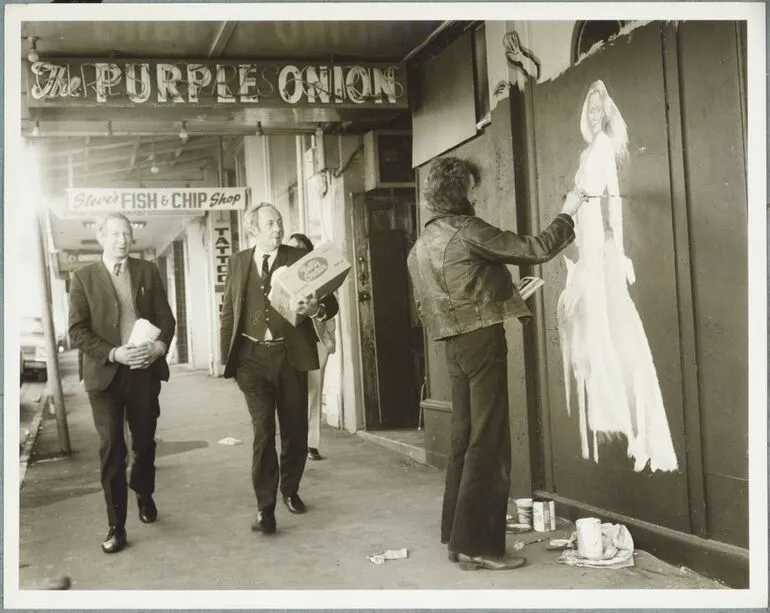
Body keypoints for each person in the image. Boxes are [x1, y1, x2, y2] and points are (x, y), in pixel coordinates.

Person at [407, 156, 586, 571]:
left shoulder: (422, 245)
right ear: (460, 192)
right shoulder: (468, 229)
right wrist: (569, 210)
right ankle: (478, 548)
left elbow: (451, 296)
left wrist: (507, 295)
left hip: (453, 345)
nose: (477, 192)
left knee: (464, 437)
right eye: (473, 186)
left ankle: (454, 533)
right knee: (489, 440)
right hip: (482, 342)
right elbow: (536, 248)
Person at [557, 80, 677, 472]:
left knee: (612, 327)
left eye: (600, 110)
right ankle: (614, 417)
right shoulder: (588, 150)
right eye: (591, 109)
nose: (595, 115)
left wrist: (619, 250)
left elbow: (614, 202)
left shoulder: (605, 147)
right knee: (593, 329)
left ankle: (634, 425)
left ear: (607, 115)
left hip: (599, 242)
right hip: (585, 240)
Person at [220, 203, 338, 535]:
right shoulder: (238, 262)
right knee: (262, 432)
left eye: (280, 222)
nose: (278, 228)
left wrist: (316, 307)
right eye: (270, 223)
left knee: (294, 429)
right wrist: (227, 360)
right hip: (251, 358)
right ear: (252, 229)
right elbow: (229, 312)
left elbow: (332, 301)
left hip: (290, 356)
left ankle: (290, 489)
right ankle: (265, 507)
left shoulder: (297, 257)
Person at [68, 212, 176, 554]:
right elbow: (77, 331)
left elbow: (166, 318)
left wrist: (159, 347)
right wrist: (114, 353)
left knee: (144, 444)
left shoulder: (146, 271)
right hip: (105, 375)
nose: (122, 240)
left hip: (143, 371)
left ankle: (144, 492)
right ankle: (116, 526)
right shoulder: (83, 278)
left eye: (126, 234)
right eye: (114, 234)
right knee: (112, 448)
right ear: (100, 237)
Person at [286, 233, 337, 461]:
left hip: (315, 343)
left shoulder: (320, 278)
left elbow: (332, 307)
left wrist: (317, 310)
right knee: (290, 395)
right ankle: (293, 441)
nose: (296, 253)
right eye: (292, 249)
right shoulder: (281, 278)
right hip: (287, 345)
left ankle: (311, 444)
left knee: (314, 392)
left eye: (301, 249)